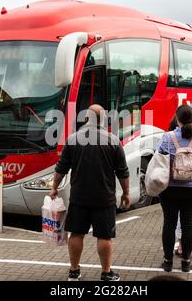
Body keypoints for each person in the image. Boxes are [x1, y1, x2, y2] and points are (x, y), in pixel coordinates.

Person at [50, 104, 131, 281]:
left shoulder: (73, 139)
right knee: (104, 236)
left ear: (86, 118)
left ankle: (74, 270)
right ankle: (106, 272)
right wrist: (126, 193)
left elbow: (60, 168)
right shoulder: (113, 141)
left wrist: (54, 187)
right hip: (104, 198)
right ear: (103, 120)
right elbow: (122, 172)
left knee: (77, 233)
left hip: (79, 197)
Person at [157, 105, 192, 273]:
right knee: (188, 224)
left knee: (169, 224)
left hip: (169, 189)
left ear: (177, 117)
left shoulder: (167, 138)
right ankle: (186, 263)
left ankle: (167, 262)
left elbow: (158, 159)